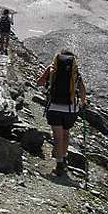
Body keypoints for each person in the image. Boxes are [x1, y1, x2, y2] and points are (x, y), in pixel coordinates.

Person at [37, 49, 86, 177]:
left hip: (54, 107)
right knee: (66, 134)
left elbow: (39, 82)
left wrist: (47, 84)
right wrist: (83, 102)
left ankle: (59, 164)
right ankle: (63, 158)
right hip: (70, 109)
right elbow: (82, 89)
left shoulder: (52, 68)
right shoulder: (75, 71)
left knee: (57, 137)